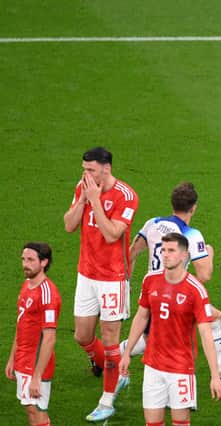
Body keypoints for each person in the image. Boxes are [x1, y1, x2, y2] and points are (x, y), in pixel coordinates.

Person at [120, 182, 221, 393]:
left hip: (150, 291)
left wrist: (126, 284)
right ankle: (114, 356)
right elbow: (204, 275)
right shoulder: (191, 234)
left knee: (212, 318)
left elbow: (131, 253)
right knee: (158, 342)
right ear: (194, 207)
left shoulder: (153, 223)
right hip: (173, 294)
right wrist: (210, 252)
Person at [63, 146, 139, 421]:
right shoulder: (83, 188)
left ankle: (107, 401)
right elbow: (69, 225)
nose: (85, 174)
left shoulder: (126, 196)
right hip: (86, 274)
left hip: (113, 279)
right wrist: (83, 200)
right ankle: (117, 371)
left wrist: (95, 200)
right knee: (82, 336)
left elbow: (112, 235)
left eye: (90, 170)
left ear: (106, 168)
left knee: (110, 341)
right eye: (84, 169)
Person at [119, 233, 221, 425]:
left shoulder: (195, 290)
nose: (165, 255)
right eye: (163, 250)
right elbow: (141, 316)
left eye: (171, 250)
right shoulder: (150, 280)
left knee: (180, 422)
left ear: (184, 255)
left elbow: (206, 334)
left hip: (181, 368)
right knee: (152, 422)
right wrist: (126, 353)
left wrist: (215, 376)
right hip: (152, 366)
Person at [5, 242, 61, 426]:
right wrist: (13, 357)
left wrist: (37, 376)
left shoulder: (47, 294)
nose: (25, 264)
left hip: (36, 363)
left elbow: (50, 338)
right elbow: (21, 323)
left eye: (30, 260)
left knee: (37, 412)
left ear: (44, 262)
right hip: (22, 359)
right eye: (23, 259)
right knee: (30, 410)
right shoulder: (26, 285)